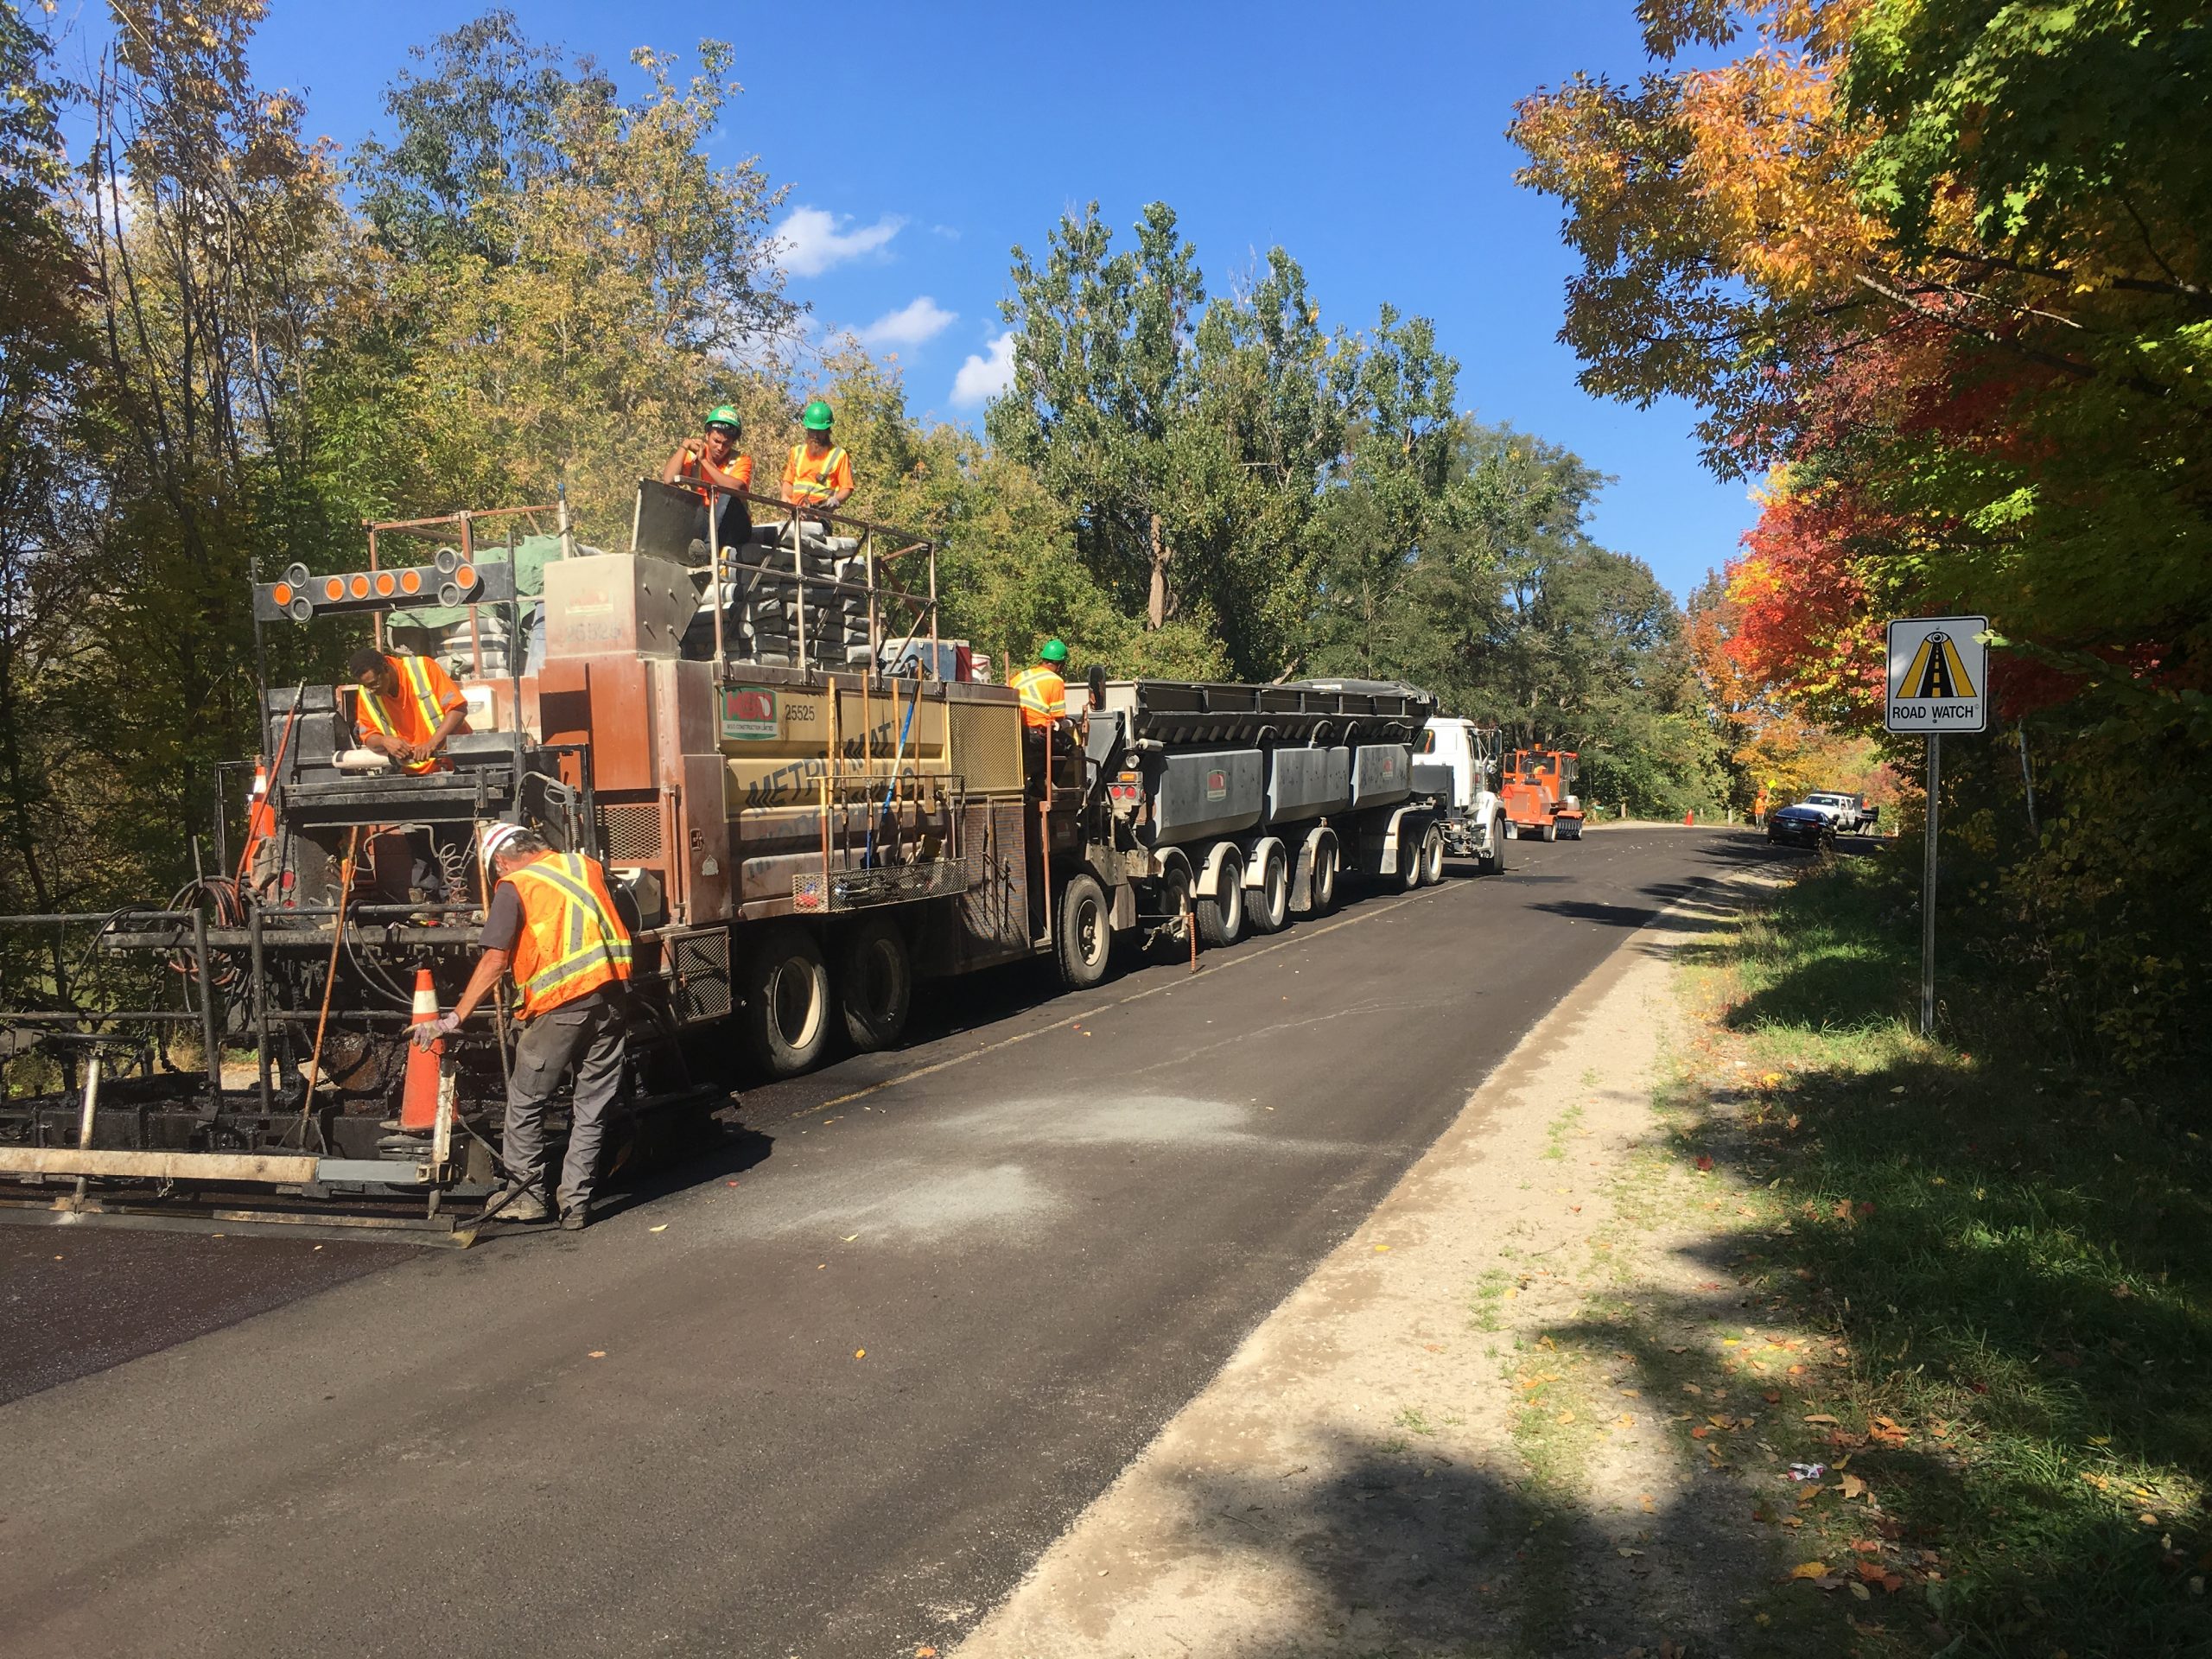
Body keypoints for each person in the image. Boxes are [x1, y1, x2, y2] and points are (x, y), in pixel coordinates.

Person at [416, 822, 633, 1230]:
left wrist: (455, 1016)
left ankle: (528, 1196)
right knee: (591, 1106)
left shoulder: (514, 885)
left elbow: (495, 961)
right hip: (612, 999)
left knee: (526, 1100)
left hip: (561, 1006)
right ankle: (576, 1205)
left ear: (500, 861)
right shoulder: (584, 865)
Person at [349, 645, 468, 774]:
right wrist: (384, 741)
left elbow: (458, 709)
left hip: (456, 764)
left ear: (386, 668)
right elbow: (368, 736)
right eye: (367, 686)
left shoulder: (423, 668)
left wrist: (432, 743)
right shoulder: (367, 693)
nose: (372, 690)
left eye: (374, 684)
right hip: (409, 772)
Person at [663, 403, 754, 556]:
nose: (720, 448)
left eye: (726, 444)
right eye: (716, 441)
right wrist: (684, 446)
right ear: (707, 435)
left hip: (734, 526)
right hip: (705, 519)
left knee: (728, 493)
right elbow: (668, 479)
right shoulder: (693, 456)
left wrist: (706, 461)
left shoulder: (742, 460)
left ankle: (708, 553)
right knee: (676, 498)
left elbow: (735, 488)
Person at [780, 398, 854, 524]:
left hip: (820, 519)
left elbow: (847, 488)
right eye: (812, 430)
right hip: (796, 516)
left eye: (820, 431)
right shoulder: (797, 452)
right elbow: (789, 482)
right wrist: (785, 497)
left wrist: (836, 500)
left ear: (828, 430)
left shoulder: (838, 455)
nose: (815, 436)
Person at [1010, 638, 1072, 781]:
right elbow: (1058, 718)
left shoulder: (1020, 677)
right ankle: (1045, 784)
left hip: (1014, 732)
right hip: (1036, 734)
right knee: (1068, 743)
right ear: (1061, 665)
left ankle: (1033, 778)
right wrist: (1067, 723)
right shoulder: (1055, 680)